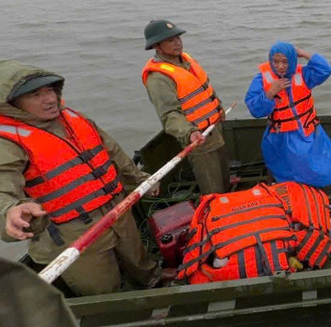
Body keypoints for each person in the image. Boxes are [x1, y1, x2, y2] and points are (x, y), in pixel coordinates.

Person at [0, 60, 163, 296]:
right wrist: (10, 213)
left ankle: (154, 284)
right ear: (12, 104)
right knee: (102, 289)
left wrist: (139, 181)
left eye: (49, 90)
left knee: (138, 260)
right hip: (72, 230)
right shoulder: (8, 143)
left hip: (116, 208)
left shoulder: (73, 118)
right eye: (36, 94)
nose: (49, 99)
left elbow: (112, 151)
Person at [141, 19, 229, 194]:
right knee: (213, 190)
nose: (177, 43)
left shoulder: (185, 61)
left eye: (178, 38)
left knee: (225, 179)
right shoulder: (158, 78)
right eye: (171, 40)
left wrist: (218, 107)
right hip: (198, 139)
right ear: (157, 45)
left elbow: (204, 87)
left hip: (215, 130)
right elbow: (169, 115)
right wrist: (190, 133)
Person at [244, 42, 331, 187]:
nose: (280, 66)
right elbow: (255, 110)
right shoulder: (261, 79)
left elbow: (325, 70)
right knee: (285, 168)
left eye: (285, 61)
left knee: (322, 165)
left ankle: (329, 183)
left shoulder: (303, 74)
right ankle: (286, 188)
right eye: (275, 62)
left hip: (308, 131)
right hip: (280, 136)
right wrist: (271, 92)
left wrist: (304, 53)